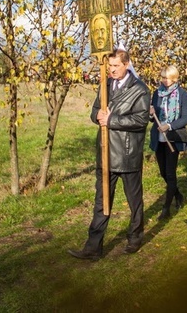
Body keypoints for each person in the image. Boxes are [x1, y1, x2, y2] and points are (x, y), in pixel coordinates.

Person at [68, 49, 150, 260]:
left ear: (126, 64)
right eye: (110, 66)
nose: (112, 70)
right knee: (101, 201)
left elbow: (141, 121)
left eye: (116, 66)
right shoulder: (104, 85)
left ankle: (134, 237)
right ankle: (93, 247)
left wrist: (112, 121)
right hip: (105, 152)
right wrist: (97, 115)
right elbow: (95, 111)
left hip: (127, 154)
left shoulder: (139, 89)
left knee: (134, 201)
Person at [149, 65, 187, 220]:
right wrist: (150, 113)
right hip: (159, 138)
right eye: (162, 77)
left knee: (170, 173)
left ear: (174, 78)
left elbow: (186, 118)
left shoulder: (182, 94)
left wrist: (170, 125)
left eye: (166, 77)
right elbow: (152, 117)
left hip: (173, 138)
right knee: (163, 172)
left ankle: (166, 208)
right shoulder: (157, 93)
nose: (164, 80)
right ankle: (178, 195)